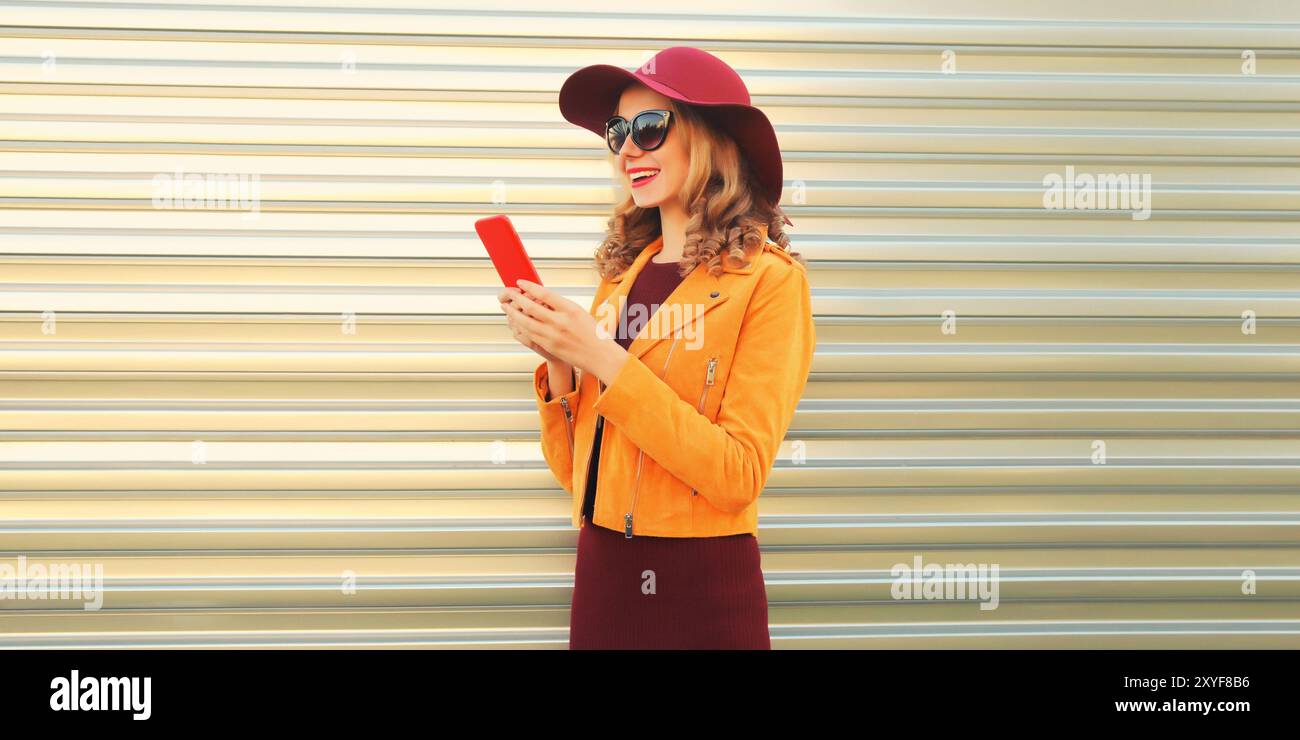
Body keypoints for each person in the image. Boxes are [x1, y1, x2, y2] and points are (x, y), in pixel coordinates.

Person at [498, 46, 815, 649]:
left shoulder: (771, 283)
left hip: (703, 588)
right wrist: (562, 361)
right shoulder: (620, 282)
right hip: (602, 578)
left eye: (648, 127)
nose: (627, 149)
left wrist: (602, 358)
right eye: (619, 131)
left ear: (713, 138)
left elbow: (737, 475)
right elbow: (578, 475)